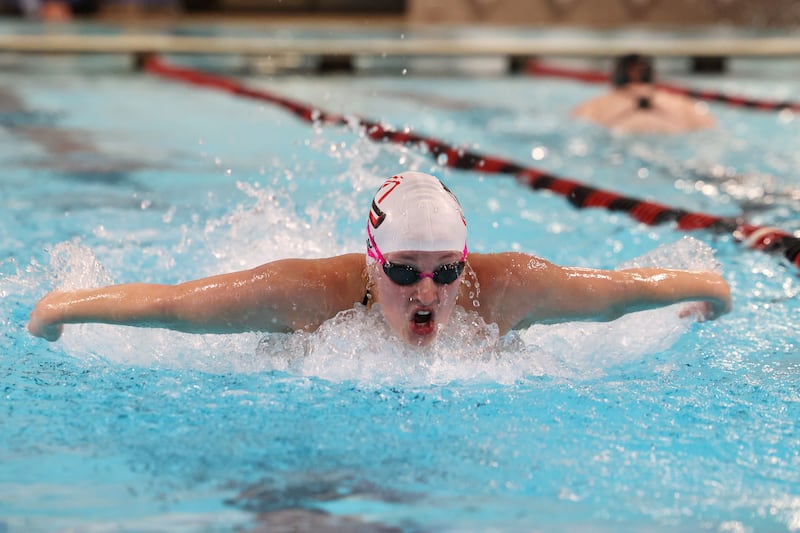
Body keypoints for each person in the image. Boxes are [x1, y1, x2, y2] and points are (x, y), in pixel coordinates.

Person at [28, 171, 732, 347]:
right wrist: (63, 308)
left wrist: (706, 290)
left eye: (445, 270)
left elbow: (613, 290)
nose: (428, 288)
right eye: (404, 271)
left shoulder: (509, 286)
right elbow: (175, 306)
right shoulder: (308, 293)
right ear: (372, 264)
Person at [571, 54, 716, 134]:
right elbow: (710, 129)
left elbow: (577, 129)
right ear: (653, 76)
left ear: (614, 78)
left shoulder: (593, 107)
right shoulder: (685, 105)